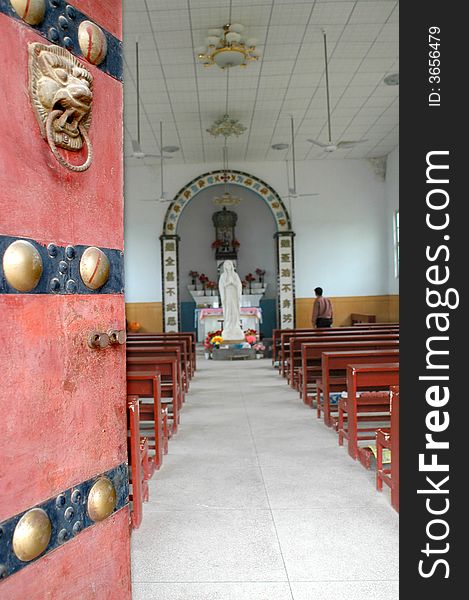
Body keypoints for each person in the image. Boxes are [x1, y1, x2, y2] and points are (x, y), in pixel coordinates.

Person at [219, 260, 245, 341]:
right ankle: (228, 326)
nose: (228, 266)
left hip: (234, 295)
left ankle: (235, 325)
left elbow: (239, 285)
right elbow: (221, 286)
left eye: (229, 265)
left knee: (234, 310)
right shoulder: (223, 276)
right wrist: (228, 283)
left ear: (232, 266)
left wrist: (233, 282)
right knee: (228, 310)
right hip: (227, 295)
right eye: (226, 265)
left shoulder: (235, 275)